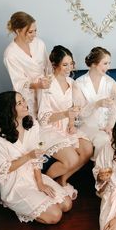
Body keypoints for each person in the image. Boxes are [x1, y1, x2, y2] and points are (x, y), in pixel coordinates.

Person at [0, 91, 75, 224]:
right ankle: (17, 205)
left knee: (66, 204)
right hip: (15, 183)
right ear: (9, 109)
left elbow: (36, 157)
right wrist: (28, 157)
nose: (25, 104)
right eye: (19, 103)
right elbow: (3, 170)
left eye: (24, 100)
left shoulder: (33, 125)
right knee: (55, 216)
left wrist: (40, 183)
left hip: (33, 175)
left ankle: (38, 201)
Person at [38, 45, 93, 187]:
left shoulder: (71, 82)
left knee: (88, 150)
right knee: (72, 159)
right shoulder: (46, 84)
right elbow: (43, 118)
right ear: (55, 64)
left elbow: (73, 108)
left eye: (71, 63)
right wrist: (65, 114)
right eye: (65, 64)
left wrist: (71, 124)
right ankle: (45, 182)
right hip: (49, 128)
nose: (69, 68)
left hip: (66, 126)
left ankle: (62, 179)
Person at [75, 47, 116, 160]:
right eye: (105, 63)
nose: (108, 67)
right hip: (87, 126)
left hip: (108, 126)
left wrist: (110, 126)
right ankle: (101, 173)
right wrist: (96, 104)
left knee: (114, 139)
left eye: (109, 63)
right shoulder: (79, 83)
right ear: (94, 64)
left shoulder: (111, 83)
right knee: (103, 140)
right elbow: (79, 113)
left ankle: (111, 173)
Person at [4, 11, 52, 118]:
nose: (34, 35)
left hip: (45, 93)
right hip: (26, 96)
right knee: (32, 127)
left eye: (35, 31)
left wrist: (47, 81)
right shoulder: (10, 54)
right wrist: (37, 86)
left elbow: (48, 68)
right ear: (18, 31)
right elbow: (19, 82)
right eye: (30, 32)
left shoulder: (39, 44)